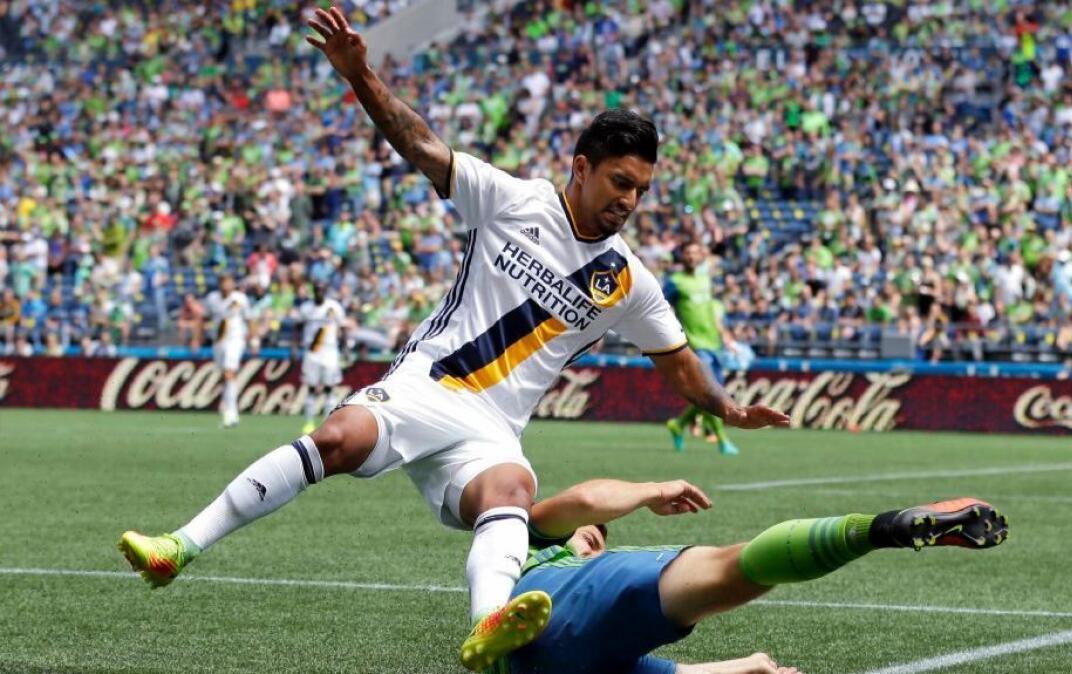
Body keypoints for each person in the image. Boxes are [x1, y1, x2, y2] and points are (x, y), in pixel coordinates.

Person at [117, 8, 789, 673]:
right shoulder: (514, 200)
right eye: (621, 183)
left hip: (493, 426)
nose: (630, 202)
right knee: (335, 439)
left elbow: (677, 364)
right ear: (581, 168)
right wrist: (361, 76)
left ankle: (487, 630)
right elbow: (420, 144)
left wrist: (725, 408)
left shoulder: (628, 280)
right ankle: (180, 546)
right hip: (429, 384)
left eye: (641, 190)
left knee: (511, 488)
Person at [500, 479, 1008, 674]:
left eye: (602, 537)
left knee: (736, 571)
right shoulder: (532, 546)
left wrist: (748, 667)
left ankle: (878, 531)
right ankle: (871, 531)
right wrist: (653, 490)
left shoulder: (570, 564)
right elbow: (583, 503)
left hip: (575, 655)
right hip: (580, 616)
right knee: (732, 568)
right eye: (592, 534)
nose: (597, 536)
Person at [663, 240, 739, 455]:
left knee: (714, 392)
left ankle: (678, 424)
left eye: (696, 252)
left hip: (714, 343)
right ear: (682, 256)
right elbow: (659, 306)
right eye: (688, 252)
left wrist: (724, 335)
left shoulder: (705, 280)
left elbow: (710, 312)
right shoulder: (675, 282)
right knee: (710, 391)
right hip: (695, 344)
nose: (691, 256)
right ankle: (722, 440)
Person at [298, 284, 347, 434]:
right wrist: (295, 345)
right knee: (311, 387)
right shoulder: (306, 308)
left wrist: (345, 348)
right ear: (313, 292)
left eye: (322, 290)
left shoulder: (334, 307)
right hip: (312, 351)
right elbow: (299, 326)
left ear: (325, 292)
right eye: (317, 290)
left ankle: (328, 423)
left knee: (329, 387)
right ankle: (308, 422)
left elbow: (342, 328)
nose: (319, 292)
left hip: (330, 350)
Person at [206, 274, 251, 427]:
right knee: (225, 376)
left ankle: (231, 413)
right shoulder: (212, 298)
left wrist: (253, 339)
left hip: (235, 339)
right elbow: (206, 317)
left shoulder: (241, 298)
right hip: (219, 341)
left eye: (229, 282)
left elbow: (250, 318)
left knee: (229, 372)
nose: (226, 285)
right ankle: (228, 409)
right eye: (224, 282)